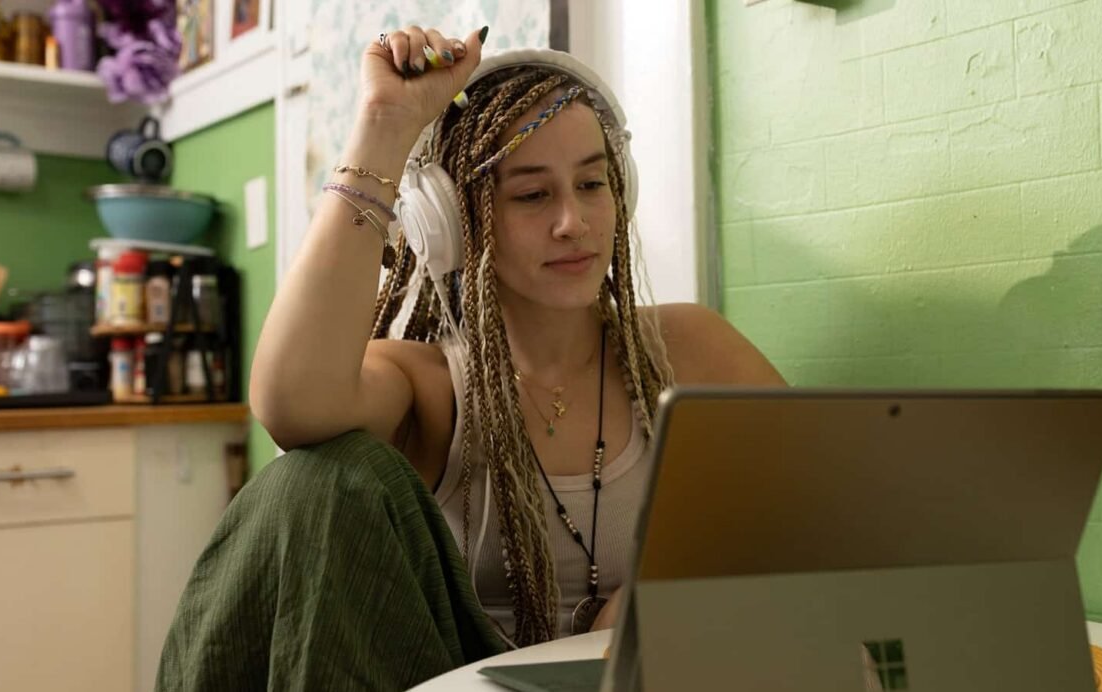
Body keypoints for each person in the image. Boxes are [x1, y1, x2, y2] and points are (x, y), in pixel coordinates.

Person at [157, 25, 784, 691]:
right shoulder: (425, 385)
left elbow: (827, 514)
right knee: (313, 479)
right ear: (451, 220)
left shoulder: (689, 351)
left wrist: (662, 593)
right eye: (532, 194)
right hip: (456, 678)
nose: (573, 221)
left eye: (593, 183)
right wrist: (383, 126)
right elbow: (288, 404)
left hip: (653, 675)